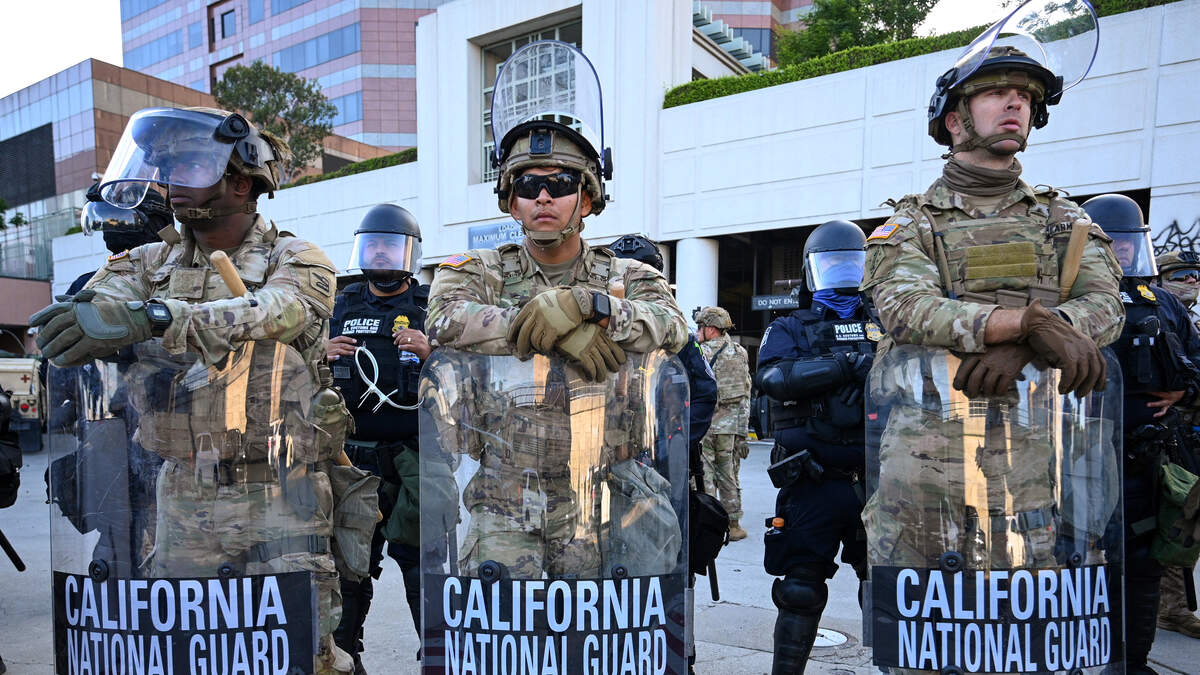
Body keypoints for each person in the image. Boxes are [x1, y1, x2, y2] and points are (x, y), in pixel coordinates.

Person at [30, 106, 352, 674]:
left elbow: (280, 313)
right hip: (182, 492)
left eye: (190, 163)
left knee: (299, 651)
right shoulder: (143, 262)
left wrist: (155, 317)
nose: (170, 179)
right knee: (186, 647)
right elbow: (94, 308)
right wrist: (93, 318)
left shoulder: (295, 258)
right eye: (166, 165)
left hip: (280, 492)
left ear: (241, 179)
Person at [859, 14, 1125, 671]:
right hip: (928, 472)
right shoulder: (913, 223)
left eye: (1028, 97)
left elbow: (1106, 305)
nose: (1016, 104)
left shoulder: (1066, 221)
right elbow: (906, 307)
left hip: (1041, 469)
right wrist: (1030, 323)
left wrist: (1029, 344)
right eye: (997, 92)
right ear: (953, 119)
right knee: (926, 649)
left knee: (1034, 644)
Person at [425, 42, 688, 580]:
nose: (544, 197)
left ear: (586, 199)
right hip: (504, 492)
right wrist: (553, 327)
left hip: (599, 493)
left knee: (591, 642)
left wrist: (589, 306)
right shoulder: (479, 269)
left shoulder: (625, 276)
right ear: (511, 200)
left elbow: (673, 328)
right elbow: (444, 318)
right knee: (502, 641)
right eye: (528, 185)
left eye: (560, 184)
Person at [756, 219, 878, 673]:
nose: (843, 272)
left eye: (852, 264)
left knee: (889, 585)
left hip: (880, 477)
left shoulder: (884, 321)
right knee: (800, 588)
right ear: (811, 271)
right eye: (832, 264)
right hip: (813, 478)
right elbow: (771, 378)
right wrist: (845, 369)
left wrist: (875, 371)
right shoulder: (790, 325)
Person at [1085, 195, 1200, 667]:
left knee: (1146, 570)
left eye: (1129, 243)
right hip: (1084, 458)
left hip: (1152, 461)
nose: (1123, 252)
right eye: (1111, 243)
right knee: (1081, 566)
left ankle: (1132, 661)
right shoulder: (1070, 302)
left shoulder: (1166, 304)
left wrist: (1185, 396)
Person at [610, 233, 719, 675]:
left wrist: (666, 448)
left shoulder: (673, 332)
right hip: (603, 468)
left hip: (660, 471)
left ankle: (679, 656)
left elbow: (704, 392)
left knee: (671, 569)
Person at [327, 203, 429, 673]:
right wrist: (321, 350)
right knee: (350, 566)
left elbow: (468, 367)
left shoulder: (429, 306)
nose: (383, 254)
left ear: (408, 252)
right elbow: (298, 356)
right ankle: (345, 659)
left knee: (420, 567)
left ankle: (437, 658)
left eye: (391, 245)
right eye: (374, 245)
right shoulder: (340, 304)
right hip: (353, 457)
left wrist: (434, 351)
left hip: (414, 457)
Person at [1154, 249, 1200, 640]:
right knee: (1172, 519)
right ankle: (1172, 608)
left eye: (1195, 276)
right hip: (1164, 438)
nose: (1191, 282)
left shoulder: (1189, 325)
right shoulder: (1151, 317)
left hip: (1188, 437)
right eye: (1180, 275)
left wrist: (1186, 391)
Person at [694, 306, 751, 541]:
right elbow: (746, 390)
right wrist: (743, 430)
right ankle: (734, 524)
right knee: (728, 473)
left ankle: (709, 524)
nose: (698, 331)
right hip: (730, 425)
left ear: (710, 329)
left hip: (706, 424)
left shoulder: (701, 352)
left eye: (700, 327)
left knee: (705, 474)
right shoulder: (739, 352)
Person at [67, 182, 172, 294]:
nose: (113, 227)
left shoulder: (179, 278)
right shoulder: (86, 284)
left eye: (123, 220)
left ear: (160, 225)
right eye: (108, 221)